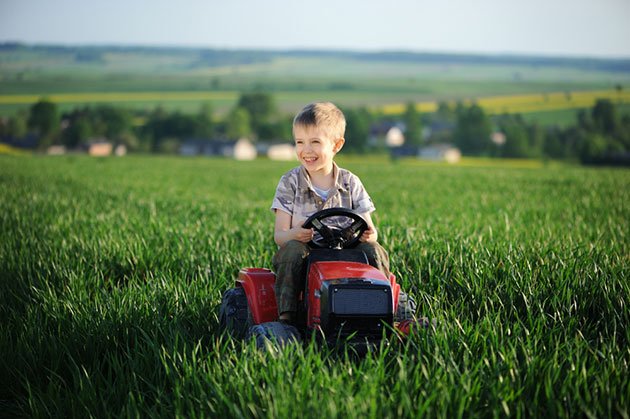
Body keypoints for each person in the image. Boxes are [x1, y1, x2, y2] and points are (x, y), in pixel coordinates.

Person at [270, 102, 390, 325]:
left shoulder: (351, 182)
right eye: (300, 142)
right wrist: (295, 234)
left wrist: (369, 236)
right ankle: (288, 315)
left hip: (348, 250)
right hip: (307, 252)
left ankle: (382, 308)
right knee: (293, 250)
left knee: (374, 250)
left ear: (337, 145)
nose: (306, 150)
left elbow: (370, 230)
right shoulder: (290, 182)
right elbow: (280, 236)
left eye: (315, 142)